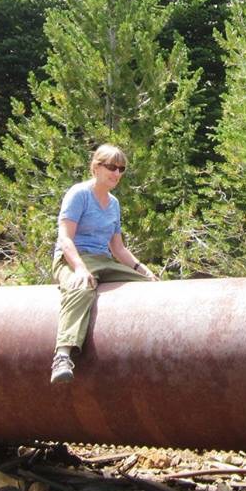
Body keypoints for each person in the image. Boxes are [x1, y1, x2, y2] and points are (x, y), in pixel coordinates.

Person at [50, 144, 156, 384]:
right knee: (82, 287)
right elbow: (65, 238)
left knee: (147, 286)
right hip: (73, 258)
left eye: (121, 169)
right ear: (96, 167)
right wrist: (80, 269)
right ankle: (62, 355)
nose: (117, 173)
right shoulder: (79, 194)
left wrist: (143, 271)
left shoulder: (114, 203)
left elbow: (118, 248)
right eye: (111, 167)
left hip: (103, 260)